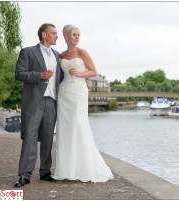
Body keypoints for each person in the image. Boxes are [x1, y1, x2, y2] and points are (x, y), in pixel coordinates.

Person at [53, 24, 113, 182]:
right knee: (65, 128)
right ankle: (66, 169)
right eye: (74, 34)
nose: (77, 37)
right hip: (64, 92)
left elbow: (93, 71)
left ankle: (84, 168)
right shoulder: (61, 55)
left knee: (79, 125)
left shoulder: (82, 52)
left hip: (78, 93)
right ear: (66, 36)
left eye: (78, 35)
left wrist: (80, 74)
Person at [14, 23, 62, 187]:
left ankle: (45, 172)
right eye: (54, 33)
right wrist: (39, 75)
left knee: (48, 137)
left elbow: (61, 80)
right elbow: (19, 74)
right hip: (34, 101)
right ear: (44, 34)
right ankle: (24, 175)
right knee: (30, 137)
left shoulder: (57, 55)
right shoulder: (27, 52)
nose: (57, 36)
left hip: (52, 101)